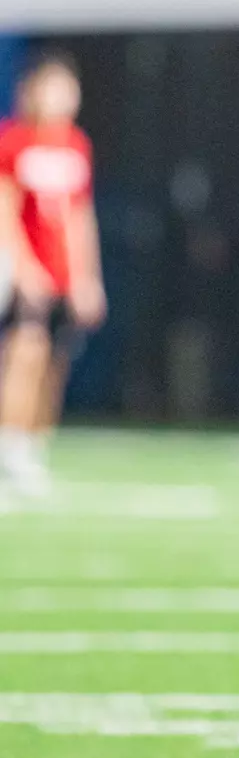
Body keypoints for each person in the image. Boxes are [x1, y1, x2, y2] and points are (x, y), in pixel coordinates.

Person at [0, 53, 105, 496]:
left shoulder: (76, 146)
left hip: (63, 273)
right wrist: (24, 268)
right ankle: (9, 441)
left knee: (55, 361)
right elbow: (5, 209)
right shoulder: (14, 141)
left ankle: (34, 444)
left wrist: (87, 277)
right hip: (27, 271)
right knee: (25, 351)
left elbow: (80, 217)